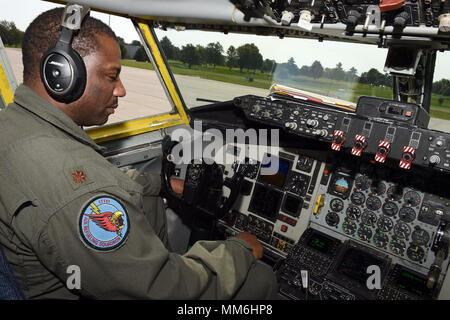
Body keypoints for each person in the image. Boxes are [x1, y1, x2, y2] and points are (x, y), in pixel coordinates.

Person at [0, 7, 278, 299]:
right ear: (62, 75)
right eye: (111, 77)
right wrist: (239, 250)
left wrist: (162, 185)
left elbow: (100, 181)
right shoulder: (75, 188)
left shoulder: (17, 126)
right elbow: (163, 290)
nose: (121, 90)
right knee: (259, 277)